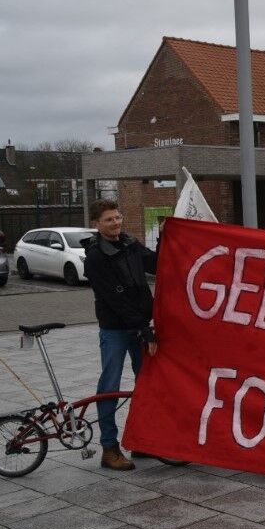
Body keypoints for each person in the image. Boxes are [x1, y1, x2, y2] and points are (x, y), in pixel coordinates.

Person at [83, 199, 158, 471]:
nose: (116, 223)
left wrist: (170, 238)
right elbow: (117, 301)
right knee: (110, 387)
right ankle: (109, 448)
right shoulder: (95, 258)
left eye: (117, 217)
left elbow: (156, 264)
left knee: (147, 384)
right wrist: (144, 330)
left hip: (139, 326)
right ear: (96, 224)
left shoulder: (130, 243)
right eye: (109, 219)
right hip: (116, 329)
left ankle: (141, 440)